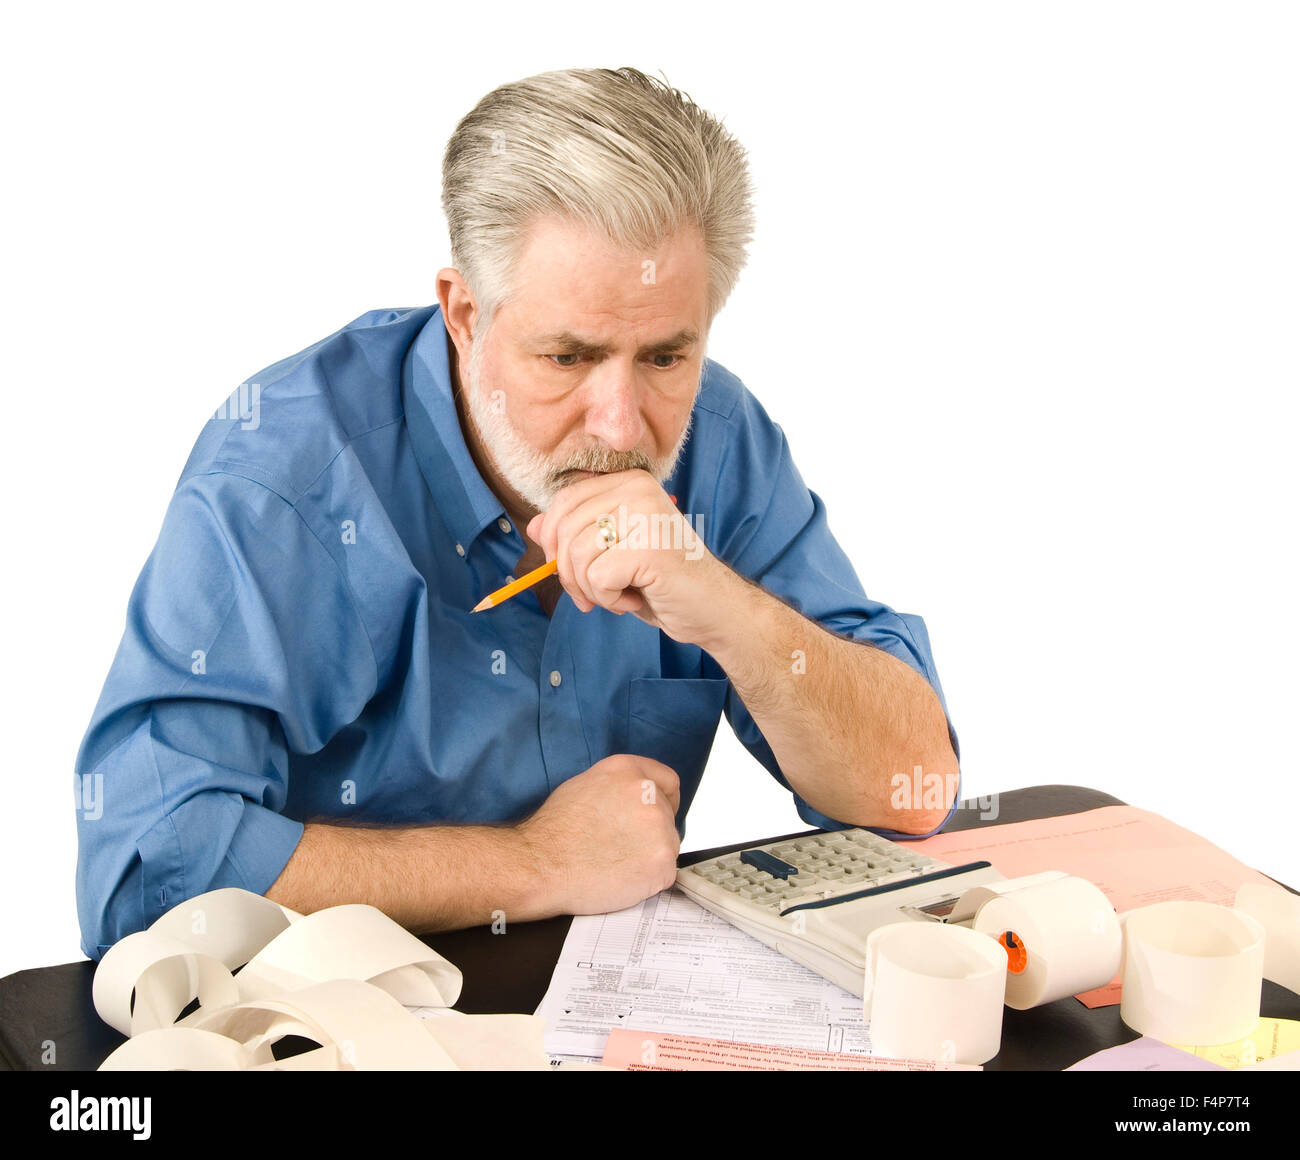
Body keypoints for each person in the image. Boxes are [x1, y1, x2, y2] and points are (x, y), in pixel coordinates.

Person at [73, 66, 961, 960]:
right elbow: (147, 873)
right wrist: (534, 864)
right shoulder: (282, 479)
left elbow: (911, 787)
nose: (620, 427)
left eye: (664, 357)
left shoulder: (724, 441)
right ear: (465, 313)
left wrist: (728, 610)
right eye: (567, 357)